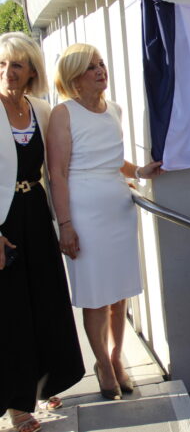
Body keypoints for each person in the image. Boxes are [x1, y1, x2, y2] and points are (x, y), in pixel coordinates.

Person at [47, 43, 164, 401]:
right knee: (96, 297)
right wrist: (65, 224)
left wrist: (139, 170)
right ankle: (102, 364)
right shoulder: (63, 114)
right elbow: (57, 173)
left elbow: (113, 159)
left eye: (101, 64)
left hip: (118, 211)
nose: (101, 71)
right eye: (91, 67)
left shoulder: (114, 109)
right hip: (84, 214)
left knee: (119, 294)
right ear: (74, 78)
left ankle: (116, 358)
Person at [0, 32, 84, 432]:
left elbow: (62, 162)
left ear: (31, 69)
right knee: (12, 310)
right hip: (4, 222)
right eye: (1, 64)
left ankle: (45, 379)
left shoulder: (40, 109)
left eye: (16, 64)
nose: (7, 72)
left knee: (46, 299)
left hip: (35, 213)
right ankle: (16, 404)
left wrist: (129, 172)